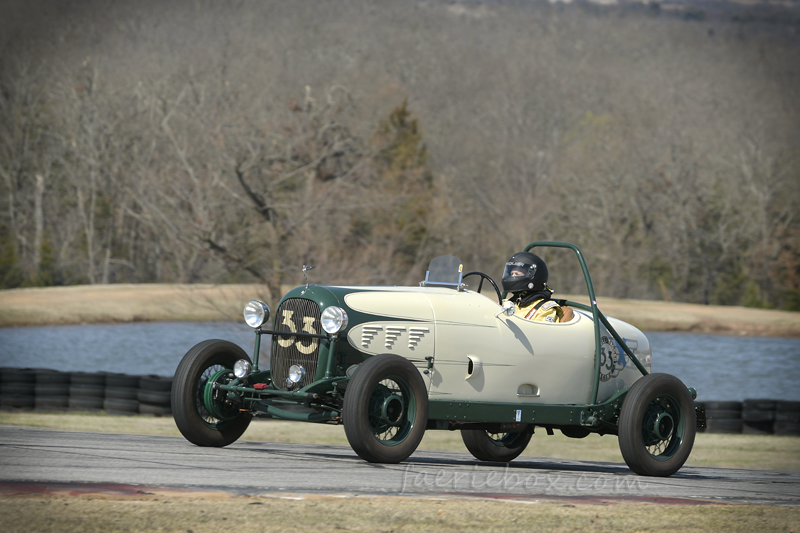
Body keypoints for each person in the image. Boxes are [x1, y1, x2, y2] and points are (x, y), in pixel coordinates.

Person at [501, 251, 572, 323]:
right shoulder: (506, 304)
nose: (512, 276)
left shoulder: (545, 309)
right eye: (511, 273)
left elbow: (541, 332)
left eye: (517, 273)